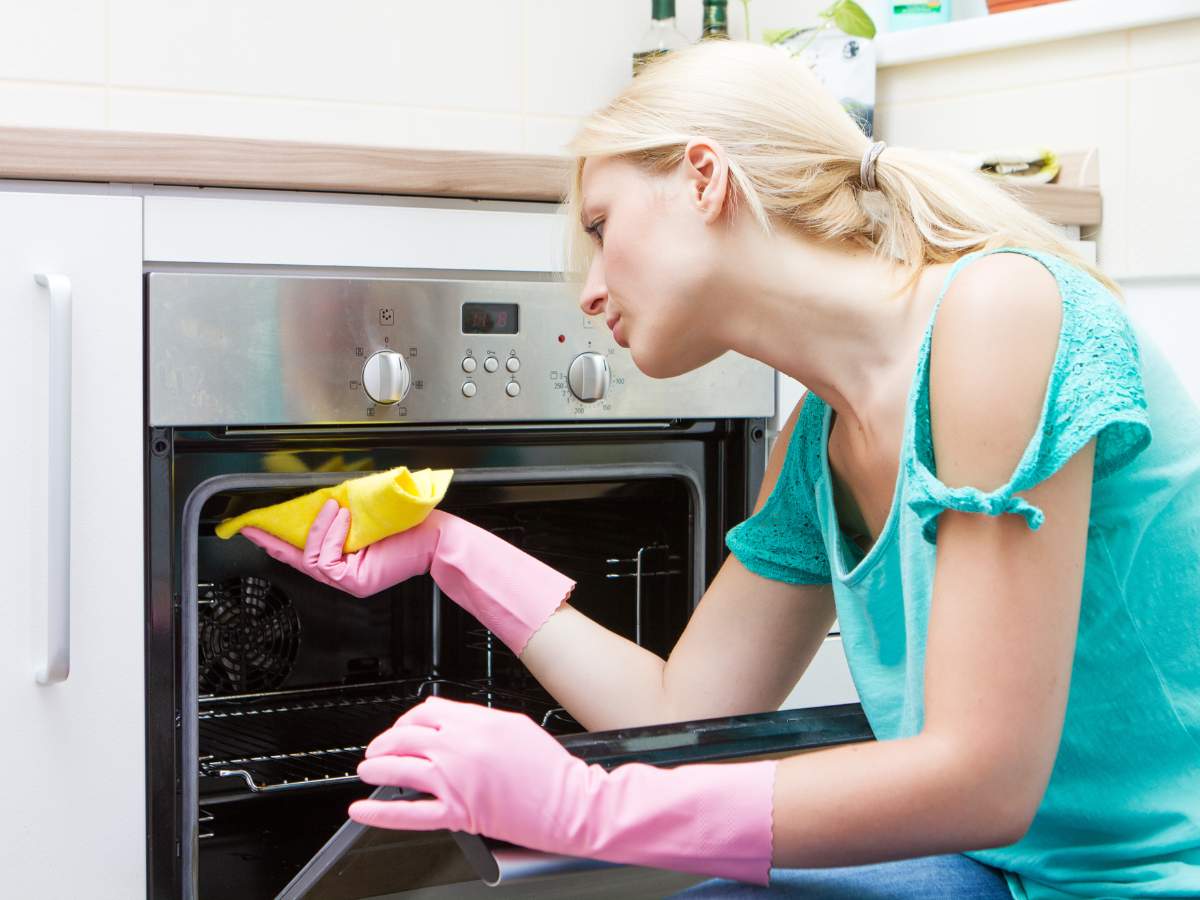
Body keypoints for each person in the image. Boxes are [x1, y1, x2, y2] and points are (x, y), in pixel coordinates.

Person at [243, 39, 1200, 899]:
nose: (589, 289)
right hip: (1003, 872)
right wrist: (449, 548)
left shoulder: (1000, 315)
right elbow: (679, 709)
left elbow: (981, 779)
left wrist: (584, 806)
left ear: (704, 178)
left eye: (602, 224)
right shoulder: (818, 438)